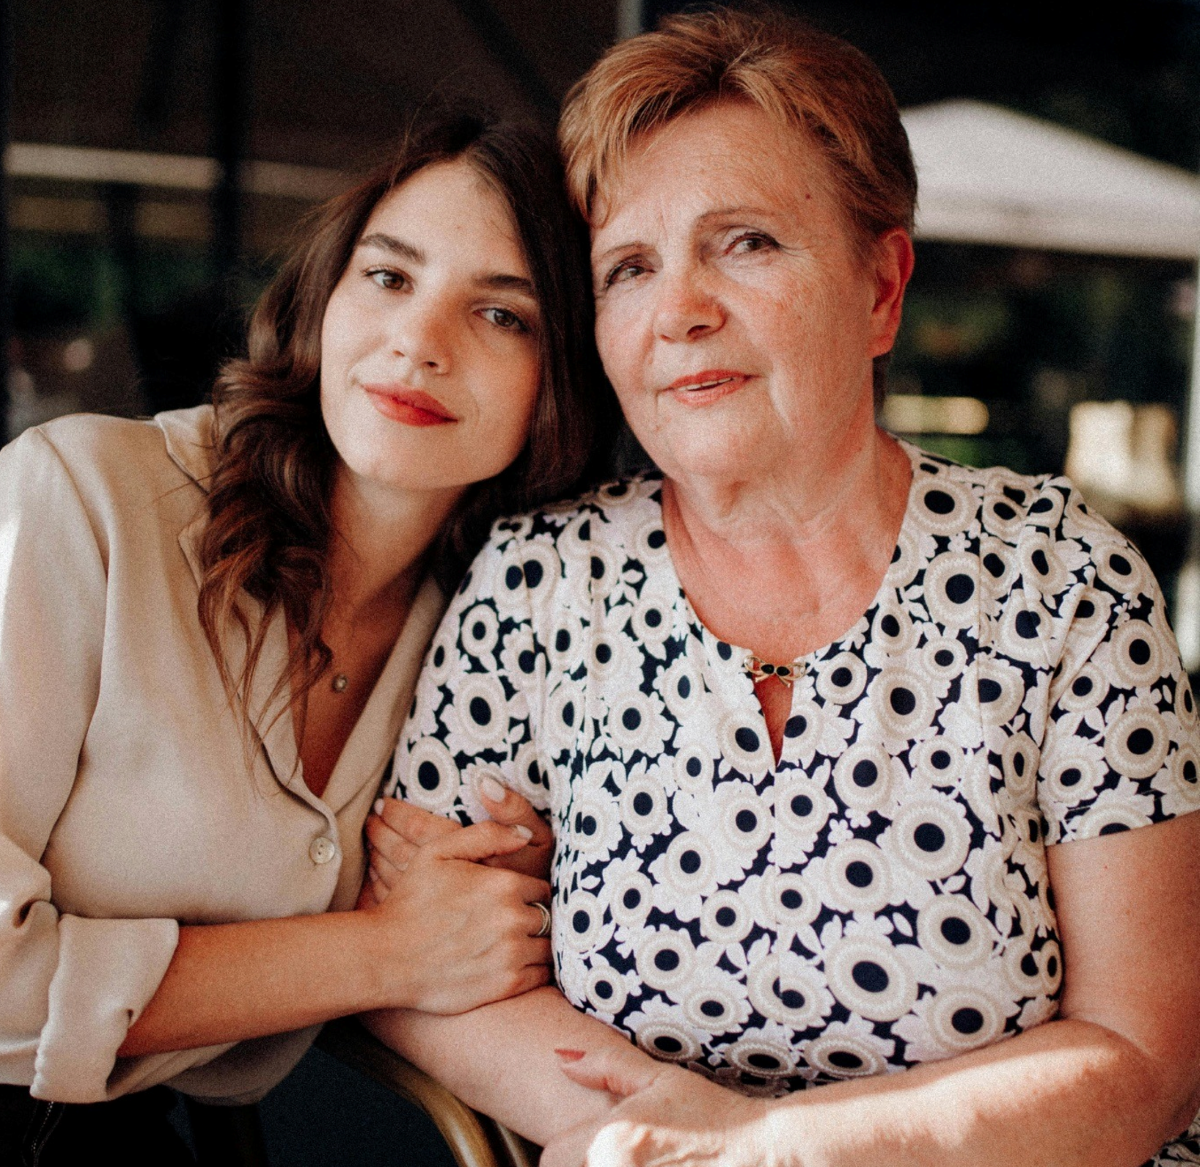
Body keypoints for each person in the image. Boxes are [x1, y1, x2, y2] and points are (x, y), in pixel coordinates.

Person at [365, 10, 1200, 1166]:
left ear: (882, 288)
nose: (679, 309)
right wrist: (645, 1137)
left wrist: (770, 1148)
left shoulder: (1062, 583)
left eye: (745, 243)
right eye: (629, 268)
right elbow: (415, 970)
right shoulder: (539, 588)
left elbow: (1147, 1053)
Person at [0, 113, 607, 1164]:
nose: (419, 340)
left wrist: (517, 879)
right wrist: (388, 950)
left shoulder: (493, 633)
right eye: (389, 276)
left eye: (501, 314)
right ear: (325, 296)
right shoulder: (81, 499)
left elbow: (470, 919)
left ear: (568, 378)